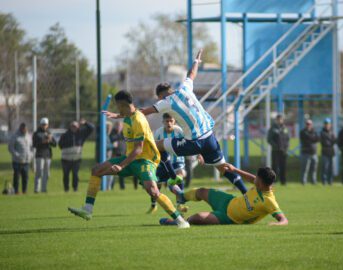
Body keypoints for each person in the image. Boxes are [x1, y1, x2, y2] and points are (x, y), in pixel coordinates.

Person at [68, 90, 190, 229]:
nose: (117, 109)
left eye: (118, 106)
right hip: (131, 158)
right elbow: (130, 113)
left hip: (145, 160)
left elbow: (138, 148)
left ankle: (181, 221)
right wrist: (116, 115)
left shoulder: (138, 120)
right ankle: (87, 210)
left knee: (154, 192)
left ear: (122, 104)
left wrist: (121, 165)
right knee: (96, 170)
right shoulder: (128, 116)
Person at [135, 49, 248, 195]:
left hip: (194, 142)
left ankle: (168, 176)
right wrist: (196, 61)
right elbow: (191, 75)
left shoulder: (166, 102)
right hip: (209, 138)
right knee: (223, 168)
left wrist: (121, 114)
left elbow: (144, 111)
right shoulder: (185, 89)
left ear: (161, 96)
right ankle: (246, 194)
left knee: (157, 145)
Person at [160, 166, 288, 226]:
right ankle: (182, 196)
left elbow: (284, 220)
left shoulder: (269, 201)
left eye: (257, 179)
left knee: (197, 218)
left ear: (261, 183)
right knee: (202, 191)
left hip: (228, 218)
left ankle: (176, 222)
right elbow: (251, 177)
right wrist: (234, 170)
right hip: (228, 201)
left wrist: (277, 224)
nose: (254, 180)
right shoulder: (260, 184)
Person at [147, 113, 188, 214]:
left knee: (180, 174)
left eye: (171, 121)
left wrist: (198, 154)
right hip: (163, 163)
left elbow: (189, 142)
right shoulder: (159, 133)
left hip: (177, 160)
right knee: (156, 185)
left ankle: (180, 203)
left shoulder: (179, 131)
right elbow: (153, 147)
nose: (169, 123)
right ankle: (153, 204)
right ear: (163, 122)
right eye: (167, 121)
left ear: (174, 121)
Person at [58, 119, 94, 192]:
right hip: (66, 159)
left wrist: (85, 123)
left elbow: (92, 128)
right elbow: (60, 145)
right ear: (70, 127)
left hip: (76, 159)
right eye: (72, 126)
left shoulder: (81, 134)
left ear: (78, 127)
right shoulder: (65, 135)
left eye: (75, 126)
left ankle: (75, 189)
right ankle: (66, 189)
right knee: (66, 175)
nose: (74, 128)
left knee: (75, 175)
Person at [32, 117, 57, 193]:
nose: (44, 126)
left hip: (48, 156)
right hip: (39, 155)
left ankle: (44, 189)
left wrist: (50, 140)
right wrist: (42, 142)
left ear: (47, 125)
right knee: (39, 173)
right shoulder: (36, 133)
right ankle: (36, 189)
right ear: (40, 124)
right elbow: (34, 144)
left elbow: (55, 144)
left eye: (45, 124)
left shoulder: (49, 133)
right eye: (43, 124)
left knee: (47, 174)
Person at [8, 123, 33, 194]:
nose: (25, 130)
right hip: (17, 161)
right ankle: (16, 191)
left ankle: (24, 191)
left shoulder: (29, 136)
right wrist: (17, 155)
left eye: (26, 129)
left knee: (25, 177)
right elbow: (11, 148)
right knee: (16, 177)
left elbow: (32, 147)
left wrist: (31, 155)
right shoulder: (15, 136)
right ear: (20, 128)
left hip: (26, 161)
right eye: (23, 129)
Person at [267, 114, 290, 185]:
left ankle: (283, 181)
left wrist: (286, 146)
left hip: (284, 151)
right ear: (276, 120)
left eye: (281, 119)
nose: (280, 120)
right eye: (278, 119)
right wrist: (276, 146)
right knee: (275, 166)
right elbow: (269, 139)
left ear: (282, 120)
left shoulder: (285, 128)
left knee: (283, 166)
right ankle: (273, 181)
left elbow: (287, 138)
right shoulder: (273, 128)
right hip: (275, 150)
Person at [300, 119, 319, 185]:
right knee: (305, 168)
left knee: (314, 169)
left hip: (314, 153)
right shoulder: (302, 132)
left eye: (310, 124)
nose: (308, 125)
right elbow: (305, 139)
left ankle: (314, 181)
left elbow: (317, 139)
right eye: (307, 124)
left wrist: (311, 138)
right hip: (306, 153)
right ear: (306, 124)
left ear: (312, 125)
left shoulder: (315, 131)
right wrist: (312, 138)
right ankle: (304, 181)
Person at [109, 121, 127, 190]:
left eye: (120, 126)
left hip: (123, 155)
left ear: (122, 126)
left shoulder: (124, 133)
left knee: (122, 172)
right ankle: (111, 186)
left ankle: (122, 187)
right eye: (117, 126)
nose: (118, 127)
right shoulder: (112, 133)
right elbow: (112, 139)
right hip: (115, 155)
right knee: (113, 171)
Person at [320, 118, 336, 185]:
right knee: (325, 167)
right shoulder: (322, 132)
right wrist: (331, 140)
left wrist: (331, 141)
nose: (327, 125)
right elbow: (325, 142)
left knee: (331, 168)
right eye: (326, 124)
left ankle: (330, 181)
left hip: (331, 152)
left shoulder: (332, 132)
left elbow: (334, 140)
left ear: (330, 125)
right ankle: (324, 181)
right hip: (325, 152)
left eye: (328, 124)